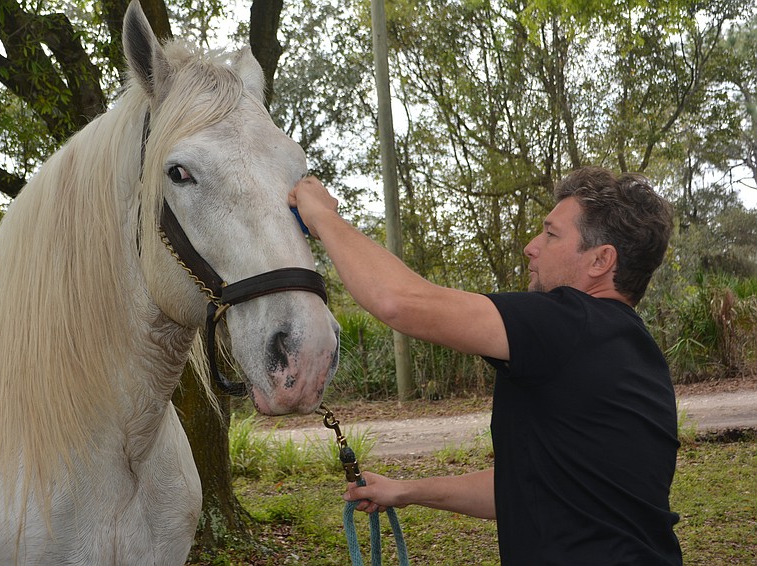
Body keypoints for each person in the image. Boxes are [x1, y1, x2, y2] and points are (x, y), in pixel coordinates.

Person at [288, 166, 683, 565]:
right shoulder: (631, 351)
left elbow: (401, 302)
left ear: (600, 260)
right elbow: (534, 487)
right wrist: (406, 491)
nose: (532, 246)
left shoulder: (572, 322)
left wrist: (323, 216)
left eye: (551, 234)